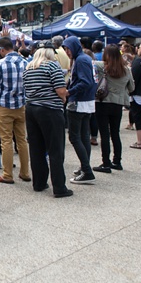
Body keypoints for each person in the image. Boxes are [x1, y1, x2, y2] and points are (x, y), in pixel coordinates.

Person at [22, 42, 72, 197]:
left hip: (31, 109)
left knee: (36, 148)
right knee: (55, 149)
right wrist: (65, 95)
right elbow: (60, 89)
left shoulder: (29, 67)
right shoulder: (53, 66)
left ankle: (39, 182)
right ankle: (59, 187)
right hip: (50, 110)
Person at [0, 37, 30, 184]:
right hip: (20, 105)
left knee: (6, 141)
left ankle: (7, 174)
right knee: (22, 140)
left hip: (4, 105)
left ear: (2, 50)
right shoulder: (25, 63)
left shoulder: (0, 64)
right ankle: (25, 172)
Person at [92, 45, 134, 173]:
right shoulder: (126, 70)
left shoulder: (101, 66)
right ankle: (117, 161)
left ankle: (105, 163)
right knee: (115, 133)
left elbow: (90, 62)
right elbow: (131, 88)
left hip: (102, 102)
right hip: (118, 104)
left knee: (104, 134)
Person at [62, 36, 98, 185]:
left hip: (79, 101)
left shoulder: (81, 60)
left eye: (68, 48)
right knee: (83, 136)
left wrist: (69, 92)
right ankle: (85, 166)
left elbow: (85, 81)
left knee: (75, 137)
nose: (67, 51)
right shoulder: (84, 58)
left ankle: (87, 170)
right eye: (65, 49)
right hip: (86, 101)